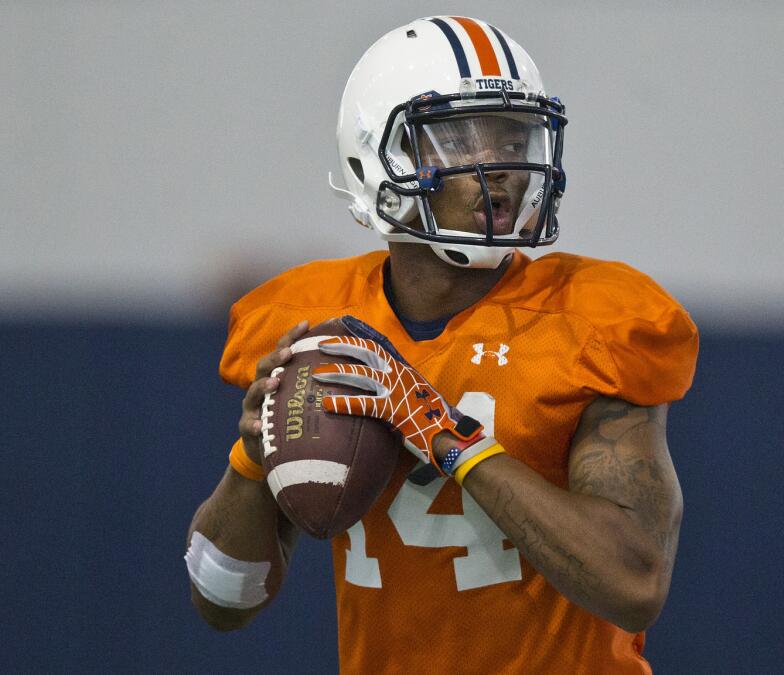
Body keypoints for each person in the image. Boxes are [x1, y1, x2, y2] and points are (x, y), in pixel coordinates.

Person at [185, 15, 698, 673]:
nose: (504, 169)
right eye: (460, 141)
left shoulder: (590, 321)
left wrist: (445, 435)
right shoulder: (314, 323)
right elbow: (223, 600)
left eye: (515, 137)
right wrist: (252, 459)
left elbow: (635, 584)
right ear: (377, 157)